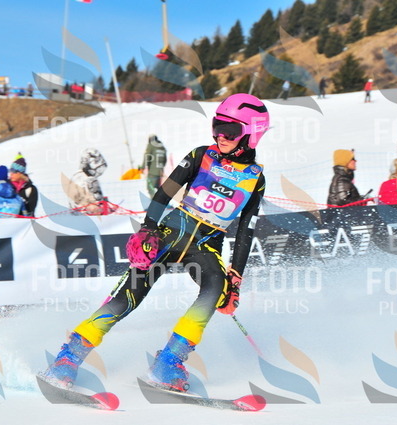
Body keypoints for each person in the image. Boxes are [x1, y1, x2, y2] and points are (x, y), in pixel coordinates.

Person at [40, 93, 270, 392]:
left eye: (230, 130)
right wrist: (148, 229)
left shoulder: (255, 178)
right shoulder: (202, 155)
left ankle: (168, 363)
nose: (221, 136)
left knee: (215, 288)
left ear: (252, 134)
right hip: (170, 232)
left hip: (207, 245)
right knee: (129, 296)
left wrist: (235, 277)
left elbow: (246, 231)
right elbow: (165, 193)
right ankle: (67, 358)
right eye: (217, 126)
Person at [66, 148, 111, 215]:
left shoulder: (75, 177)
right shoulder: (91, 181)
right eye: (99, 169)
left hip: (76, 215)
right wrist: (107, 208)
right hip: (92, 217)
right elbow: (96, 207)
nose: (99, 172)